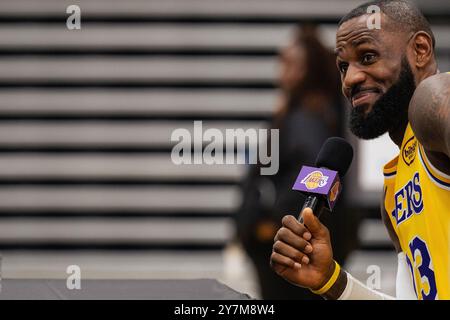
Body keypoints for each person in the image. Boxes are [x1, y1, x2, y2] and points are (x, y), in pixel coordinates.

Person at [270, 0, 450, 300]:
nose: (350, 79)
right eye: (343, 66)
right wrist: (332, 281)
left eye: (368, 57)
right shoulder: (394, 189)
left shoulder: (435, 100)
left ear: (420, 50)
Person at [235, 24, 359, 299]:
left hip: (290, 254)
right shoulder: (306, 113)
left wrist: (273, 223)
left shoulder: (306, 118)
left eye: (289, 62)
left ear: (306, 69)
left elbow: (318, 176)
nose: (281, 70)